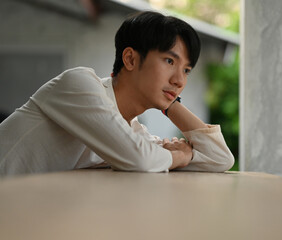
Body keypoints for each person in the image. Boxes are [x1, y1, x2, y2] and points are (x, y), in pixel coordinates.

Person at [0, 11, 234, 177]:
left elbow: (220, 159)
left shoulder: (131, 131)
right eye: (169, 61)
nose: (179, 80)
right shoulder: (79, 84)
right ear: (130, 59)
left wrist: (171, 105)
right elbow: (141, 159)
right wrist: (180, 157)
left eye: (186, 70)